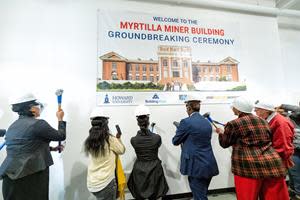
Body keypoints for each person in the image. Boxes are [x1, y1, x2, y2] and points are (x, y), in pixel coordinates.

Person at [216, 96, 289, 200]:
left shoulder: (233, 124)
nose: (232, 109)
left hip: (248, 167)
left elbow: (225, 143)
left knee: (247, 197)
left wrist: (222, 133)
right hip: (272, 163)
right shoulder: (263, 121)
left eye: (233, 107)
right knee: (272, 197)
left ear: (237, 109)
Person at [0, 93, 66, 200]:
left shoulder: (13, 126)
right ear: (32, 109)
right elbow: (61, 136)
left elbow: (26, 146)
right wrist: (60, 119)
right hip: (30, 176)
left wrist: (51, 149)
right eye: (38, 105)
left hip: (10, 178)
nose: (39, 108)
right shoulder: (39, 124)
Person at [172, 96, 219, 200]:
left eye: (186, 108)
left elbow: (175, 141)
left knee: (200, 196)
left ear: (189, 108)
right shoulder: (207, 122)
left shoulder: (186, 122)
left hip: (196, 166)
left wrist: (179, 128)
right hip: (208, 164)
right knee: (202, 193)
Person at [128, 105, 169, 200]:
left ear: (137, 122)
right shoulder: (157, 138)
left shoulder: (133, 140)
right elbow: (156, 144)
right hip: (155, 170)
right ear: (148, 121)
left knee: (140, 196)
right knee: (156, 195)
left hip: (139, 171)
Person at [84, 107, 125, 200]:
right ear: (106, 123)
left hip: (92, 183)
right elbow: (122, 150)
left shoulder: (90, 139)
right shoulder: (109, 139)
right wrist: (118, 138)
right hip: (105, 184)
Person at [254, 101, 294, 169]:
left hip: (277, 163)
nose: (255, 111)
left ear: (266, 110)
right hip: (273, 160)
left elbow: (284, 148)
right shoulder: (269, 120)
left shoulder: (280, 122)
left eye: (257, 109)